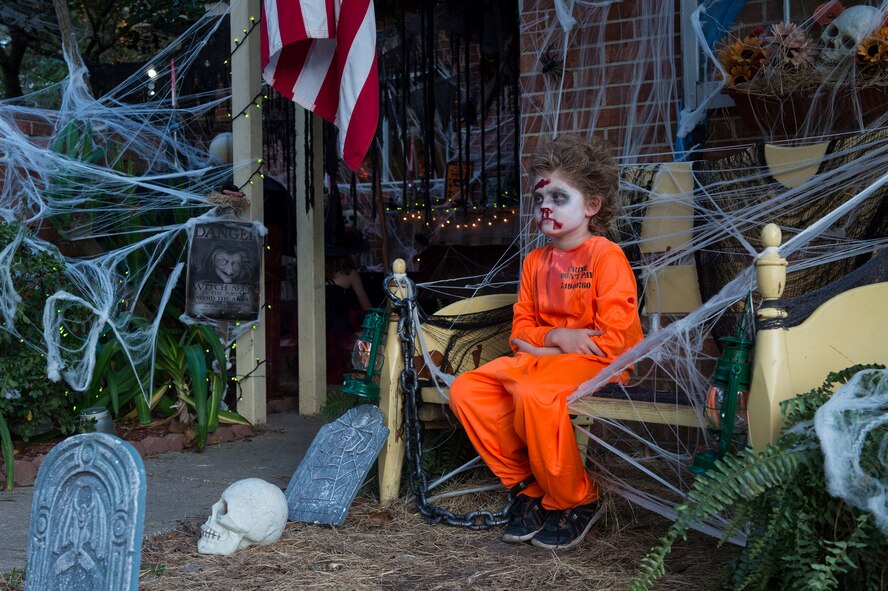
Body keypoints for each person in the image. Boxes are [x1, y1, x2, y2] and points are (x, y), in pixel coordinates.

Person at [448, 135, 644, 550]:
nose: (546, 207)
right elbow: (521, 331)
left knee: (532, 391)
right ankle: (528, 486)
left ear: (591, 206)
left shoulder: (606, 258)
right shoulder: (535, 262)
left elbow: (612, 341)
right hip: (544, 359)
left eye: (559, 197)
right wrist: (556, 337)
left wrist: (544, 349)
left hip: (601, 363)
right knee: (467, 388)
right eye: (540, 199)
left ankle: (577, 498)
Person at [325, 253, 372, 384]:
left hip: (321, 321)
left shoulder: (319, 270)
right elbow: (365, 303)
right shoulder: (350, 274)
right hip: (339, 325)